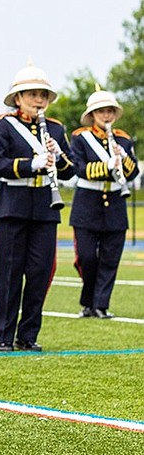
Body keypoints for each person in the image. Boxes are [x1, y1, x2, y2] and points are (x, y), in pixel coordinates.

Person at [0, 61, 74, 352]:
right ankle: (5, 335)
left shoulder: (56, 129)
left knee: (40, 272)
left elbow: (71, 170)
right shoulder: (3, 125)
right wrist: (30, 164)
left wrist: (58, 157)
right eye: (32, 94)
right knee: (8, 273)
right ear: (18, 98)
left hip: (45, 207)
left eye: (43, 95)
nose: (39, 100)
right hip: (12, 206)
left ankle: (29, 334)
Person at [69, 87, 138, 319]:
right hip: (87, 203)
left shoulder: (124, 139)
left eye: (109, 111)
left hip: (116, 203)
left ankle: (100, 305)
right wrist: (107, 165)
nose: (106, 116)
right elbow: (79, 168)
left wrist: (123, 158)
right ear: (92, 115)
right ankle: (88, 301)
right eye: (101, 112)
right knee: (87, 257)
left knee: (110, 259)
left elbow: (132, 172)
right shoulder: (80, 138)